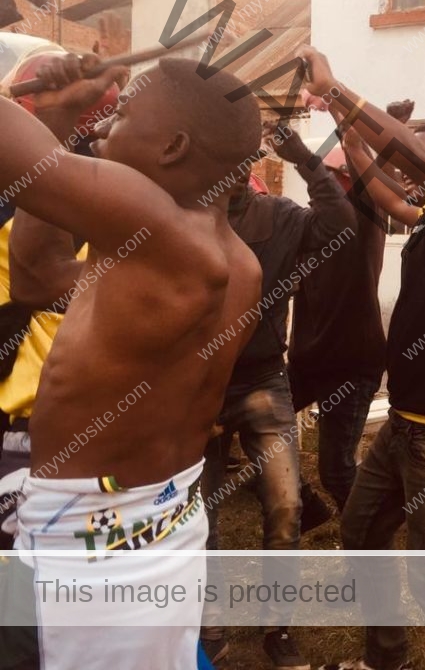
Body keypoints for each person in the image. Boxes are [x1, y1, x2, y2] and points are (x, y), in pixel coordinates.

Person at [0, 53, 263, 670]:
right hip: (162, 523)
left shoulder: (151, 220)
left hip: (82, 549)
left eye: (120, 114)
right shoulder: (234, 261)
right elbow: (40, 281)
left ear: (171, 147)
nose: (103, 124)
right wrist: (65, 117)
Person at [298, 45, 425, 670]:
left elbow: (404, 156)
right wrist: (340, 123)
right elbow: (385, 192)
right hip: (411, 419)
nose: (406, 163)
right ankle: (386, 659)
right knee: (361, 532)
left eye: (420, 153)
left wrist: (338, 90)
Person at [199, 119, 352, 669]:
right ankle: (207, 622)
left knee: (286, 504)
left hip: (263, 379)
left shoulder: (278, 217)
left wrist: (307, 160)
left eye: (244, 158)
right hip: (195, 387)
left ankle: (278, 626)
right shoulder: (179, 214)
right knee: (201, 513)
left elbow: (339, 225)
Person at [285, 105, 415, 524]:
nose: (320, 187)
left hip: (351, 363)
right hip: (307, 360)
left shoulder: (365, 220)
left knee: (336, 467)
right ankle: (309, 508)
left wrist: (369, 132)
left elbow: (373, 181)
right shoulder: (308, 227)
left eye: (333, 178)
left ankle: (369, 530)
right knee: (261, 427)